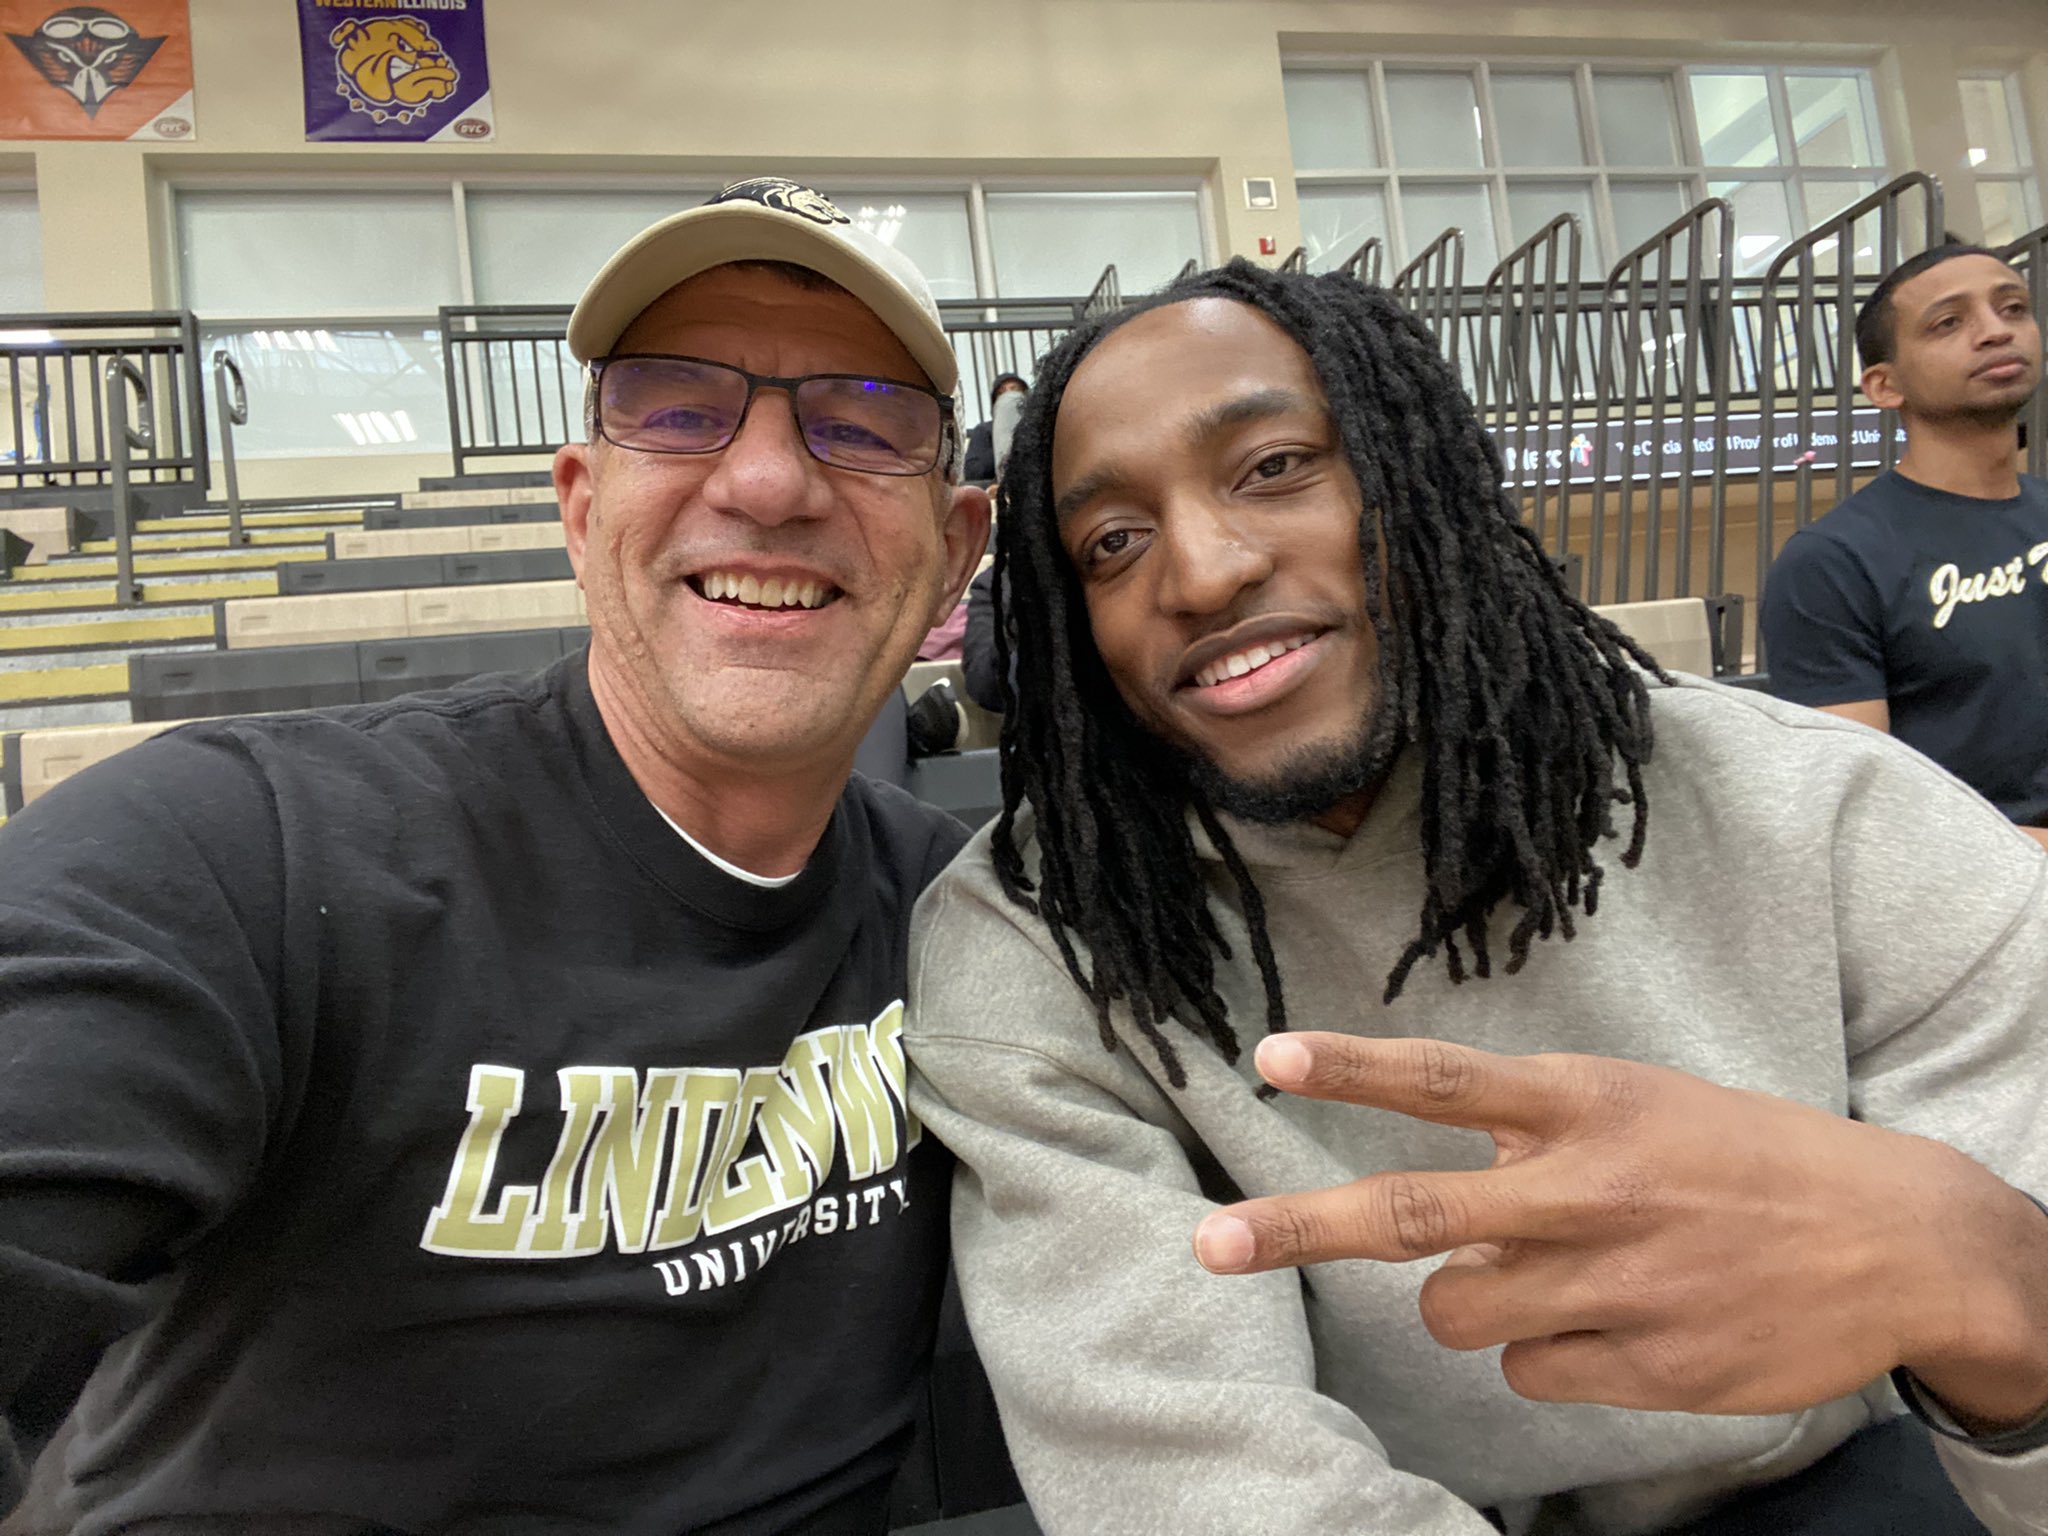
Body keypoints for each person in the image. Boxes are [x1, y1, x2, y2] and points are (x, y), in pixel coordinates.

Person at [903, 261, 2048, 1535]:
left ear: (1422, 471)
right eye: (1110, 543)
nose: (1203, 572)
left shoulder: (1825, 812)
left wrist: (1998, 1293)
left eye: (1274, 466)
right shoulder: (1038, 940)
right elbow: (1198, 1483)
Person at [0, 177, 991, 1535]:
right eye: (676, 409)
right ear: (580, 510)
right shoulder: (241, 851)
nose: (767, 480)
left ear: (955, 551)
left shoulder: (974, 923)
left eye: (863, 423)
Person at [1762, 244, 2048, 849]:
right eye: (1949, 322)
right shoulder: (1832, 562)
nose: (1996, 331)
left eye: (2013, 308)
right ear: (1885, 385)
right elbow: (1864, 815)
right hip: (1986, 884)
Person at [960, 372, 1028, 484]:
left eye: (1014, 389)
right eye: (1002, 393)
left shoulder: (1038, 427)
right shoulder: (984, 430)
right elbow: (973, 471)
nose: (1008, 395)